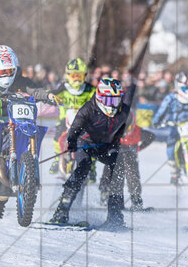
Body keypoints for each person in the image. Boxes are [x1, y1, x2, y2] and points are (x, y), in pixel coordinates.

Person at [0, 46, 55, 188]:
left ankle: (20, 166)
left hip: (9, 114)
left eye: (9, 71)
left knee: (21, 130)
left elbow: (32, 89)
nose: (6, 75)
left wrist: (48, 95)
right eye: (2, 72)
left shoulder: (18, 78)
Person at [49, 77, 131, 226]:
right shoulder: (89, 108)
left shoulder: (124, 111)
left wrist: (116, 143)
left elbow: (123, 127)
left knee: (118, 167)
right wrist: (72, 142)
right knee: (83, 168)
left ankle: (115, 214)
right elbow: (75, 126)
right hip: (86, 143)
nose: (112, 105)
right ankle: (62, 210)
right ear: (99, 97)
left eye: (116, 100)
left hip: (105, 146)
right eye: (108, 101)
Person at [99, 108, 154, 212]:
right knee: (109, 169)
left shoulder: (137, 131)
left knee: (132, 174)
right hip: (115, 153)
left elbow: (151, 136)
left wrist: (139, 148)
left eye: (127, 129)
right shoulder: (110, 130)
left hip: (130, 155)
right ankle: (105, 193)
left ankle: (136, 199)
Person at [50, 58, 96, 175]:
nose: (76, 79)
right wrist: (50, 98)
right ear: (68, 75)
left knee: (93, 138)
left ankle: (92, 167)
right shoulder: (63, 88)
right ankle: (57, 158)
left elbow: (97, 99)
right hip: (65, 119)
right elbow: (51, 94)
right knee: (57, 135)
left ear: (84, 76)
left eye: (79, 76)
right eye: (73, 76)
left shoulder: (89, 89)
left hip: (85, 120)